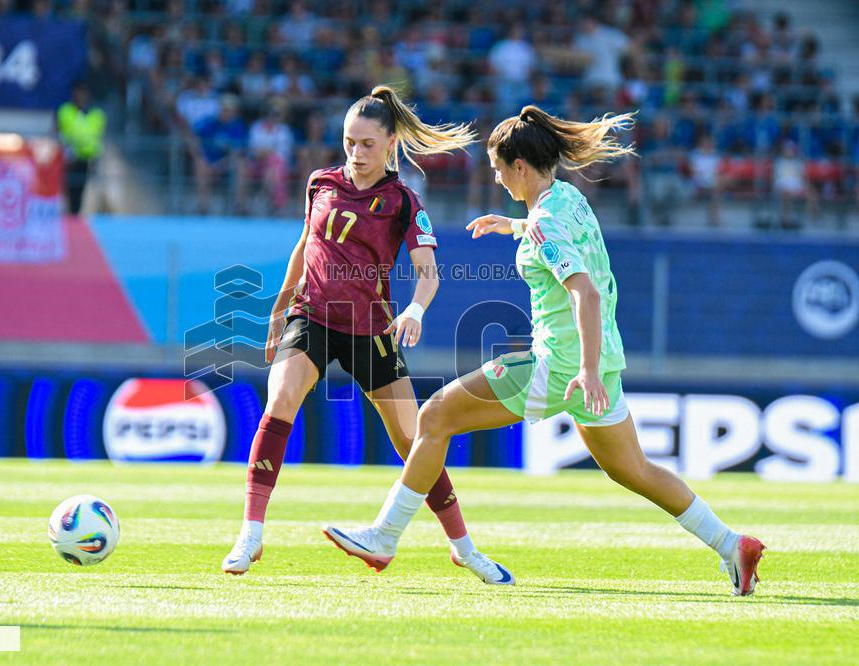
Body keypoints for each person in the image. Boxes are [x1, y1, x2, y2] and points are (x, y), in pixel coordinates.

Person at [324, 106, 766, 597]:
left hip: (560, 365)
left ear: (519, 166)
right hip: (600, 362)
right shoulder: (567, 200)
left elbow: (585, 293)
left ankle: (385, 536)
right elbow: (553, 235)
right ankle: (731, 544)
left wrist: (585, 370)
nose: (496, 178)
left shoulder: (547, 224)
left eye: (498, 168)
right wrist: (513, 225)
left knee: (433, 417)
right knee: (633, 469)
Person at [222, 86, 515, 585]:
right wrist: (278, 308)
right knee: (280, 401)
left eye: (367, 144)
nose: (356, 153)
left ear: (390, 145)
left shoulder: (403, 202)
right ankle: (250, 534)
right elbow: (304, 246)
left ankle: (463, 547)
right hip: (312, 316)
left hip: (370, 329)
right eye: (349, 142)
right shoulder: (320, 182)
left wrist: (416, 309)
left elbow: (428, 272)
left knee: (414, 439)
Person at [56, 83, 106, 214]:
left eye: (83, 95)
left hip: (87, 159)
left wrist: (95, 159)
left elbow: (98, 137)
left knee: (82, 193)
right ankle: (66, 216)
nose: (81, 98)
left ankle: (78, 217)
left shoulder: (96, 115)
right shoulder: (64, 111)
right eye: (78, 95)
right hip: (68, 159)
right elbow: (56, 132)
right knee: (66, 191)